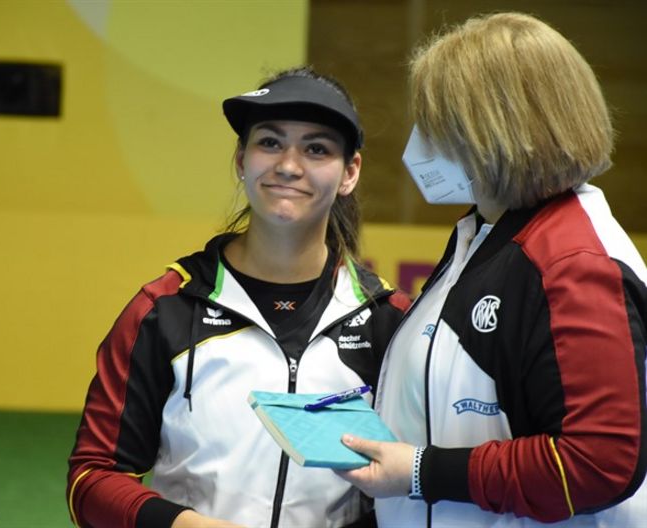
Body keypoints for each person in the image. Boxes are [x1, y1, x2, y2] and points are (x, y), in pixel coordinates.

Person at [337, 12, 647, 527]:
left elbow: (598, 463)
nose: (418, 143)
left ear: (491, 129)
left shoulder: (572, 260)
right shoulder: (487, 234)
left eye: (436, 123)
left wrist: (420, 472)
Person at [67, 67, 410, 528]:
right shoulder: (164, 308)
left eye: (316, 148)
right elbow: (91, 480)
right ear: (240, 160)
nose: (288, 165)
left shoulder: (390, 322)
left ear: (350, 172)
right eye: (269, 142)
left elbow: (411, 484)